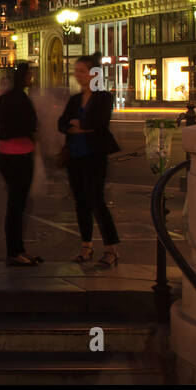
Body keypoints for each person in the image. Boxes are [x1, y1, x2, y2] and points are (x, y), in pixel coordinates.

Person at [59, 54, 121, 267]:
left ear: (94, 73)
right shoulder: (75, 99)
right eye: (76, 71)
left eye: (82, 71)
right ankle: (86, 246)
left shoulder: (103, 97)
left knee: (97, 200)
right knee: (80, 203)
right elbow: (62, 123)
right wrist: (78, 125)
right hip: (75, 156)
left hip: (94, 156)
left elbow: (99, 122)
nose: (78, 75)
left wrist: (79, 124)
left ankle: (111, 248)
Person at [0, 62, 41, 266]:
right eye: (30, 73)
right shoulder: (23, 100)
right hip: (21, 155)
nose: (32, 76)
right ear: (24, 77)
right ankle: (15, 251)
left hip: (4, 155)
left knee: (15, 204)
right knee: (17, 206)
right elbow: (31, 126)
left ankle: (18, 249)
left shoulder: (4, 98)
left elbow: (0, 123)